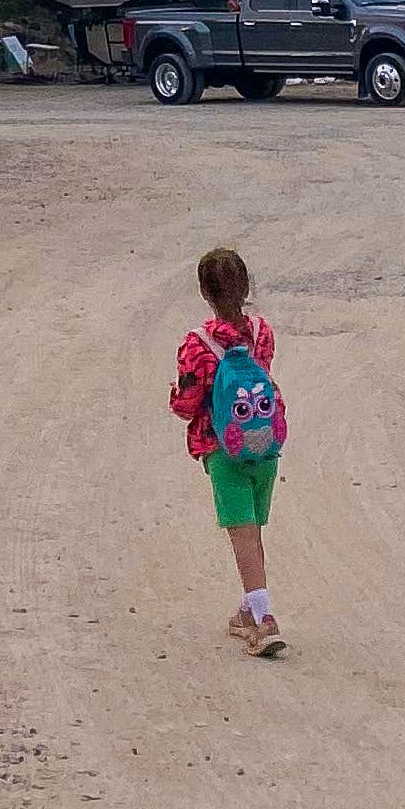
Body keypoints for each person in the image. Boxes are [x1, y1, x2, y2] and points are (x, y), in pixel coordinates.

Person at [173, 241, 285, 655]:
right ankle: (247, 607)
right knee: (251, 529)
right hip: (266, 443)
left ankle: (263, 617)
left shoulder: (197, 345)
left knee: (241, 530)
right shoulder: (262, 333)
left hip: (223, 448)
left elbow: (187, 404)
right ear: (246, 286)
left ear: (204, 292)